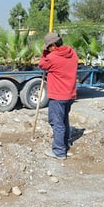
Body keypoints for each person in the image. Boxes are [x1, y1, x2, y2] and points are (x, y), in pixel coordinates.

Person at [39, 32, 78, 160]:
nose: (47, 49)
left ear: (54, 45)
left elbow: (42, 65)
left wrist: (45, 54)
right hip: (70, 94)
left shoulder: (53, 57)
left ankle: (59, 151)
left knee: (57, 122)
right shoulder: (72, 53)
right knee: (64, 120)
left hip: (58, 96)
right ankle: (65, 143)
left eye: (48, 47)